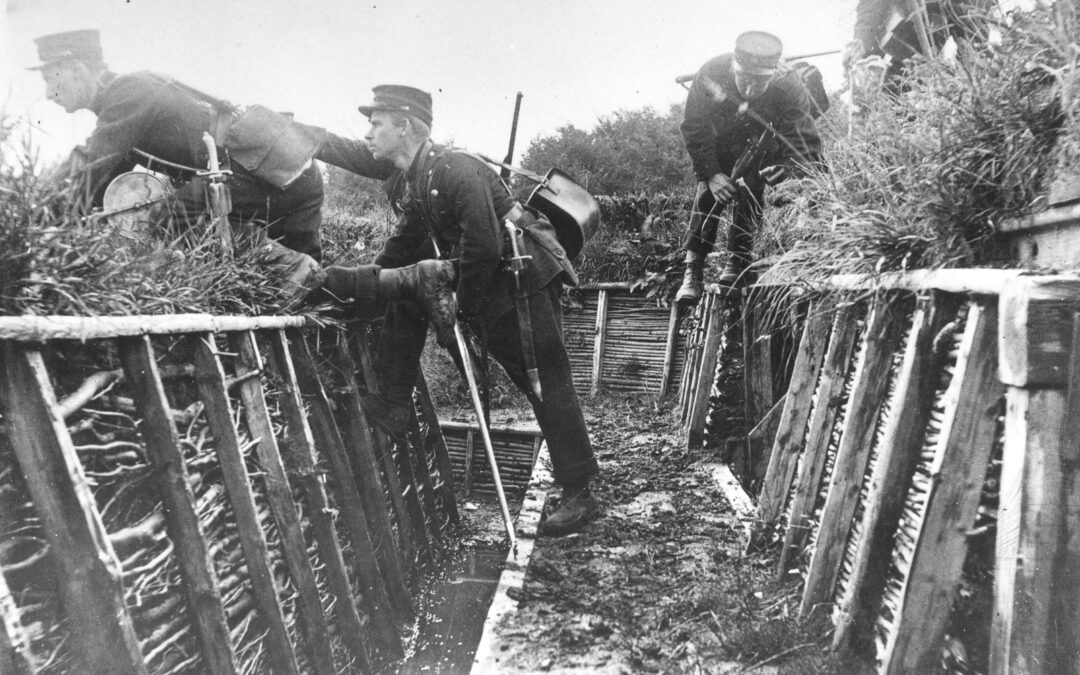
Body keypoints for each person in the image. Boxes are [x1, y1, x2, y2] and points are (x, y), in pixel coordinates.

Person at [322, 85, 601, 536]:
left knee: (544, 379)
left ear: (406, 126)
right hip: (499, 281)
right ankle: (392, 403)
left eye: (376, 124)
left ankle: (580, 492)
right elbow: (402, 248)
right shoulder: (421, 177)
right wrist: (365, 286)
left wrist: (456, 307)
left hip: (526, 279)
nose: (369, 135)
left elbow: (486, 245)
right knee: (409, 292)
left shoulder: (455, 168)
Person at [31, 28, 424, 309]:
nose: (49, 93)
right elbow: (100, 181)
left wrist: (33, 217)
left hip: (260, 174)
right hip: (284, 176)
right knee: (314, 301)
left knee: (170, 217)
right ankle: (393, 289)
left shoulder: (127, 93)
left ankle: (355, 279)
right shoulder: (129, 98)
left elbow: (91, 162)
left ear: (79, 68)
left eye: (53, 79)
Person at [675, 31, 822, 304]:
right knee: (707, 192)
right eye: (745, 79)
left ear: (773, 73)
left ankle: (737, 261)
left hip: (764, 144)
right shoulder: (711, 72)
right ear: (734, 67)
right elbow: (693, 126)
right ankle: (693, 269)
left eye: (760, 82)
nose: (751, 89)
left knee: (752, 186)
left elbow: (805, 142)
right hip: (720, 141)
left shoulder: (790, 87)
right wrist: (712, 173)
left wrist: (788, 168)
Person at [841, 0, 995, 88]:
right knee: (897, 81)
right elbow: (869, 10)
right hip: (910, 34)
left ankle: (979, 78)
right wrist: (859, 41)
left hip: (952, 20)